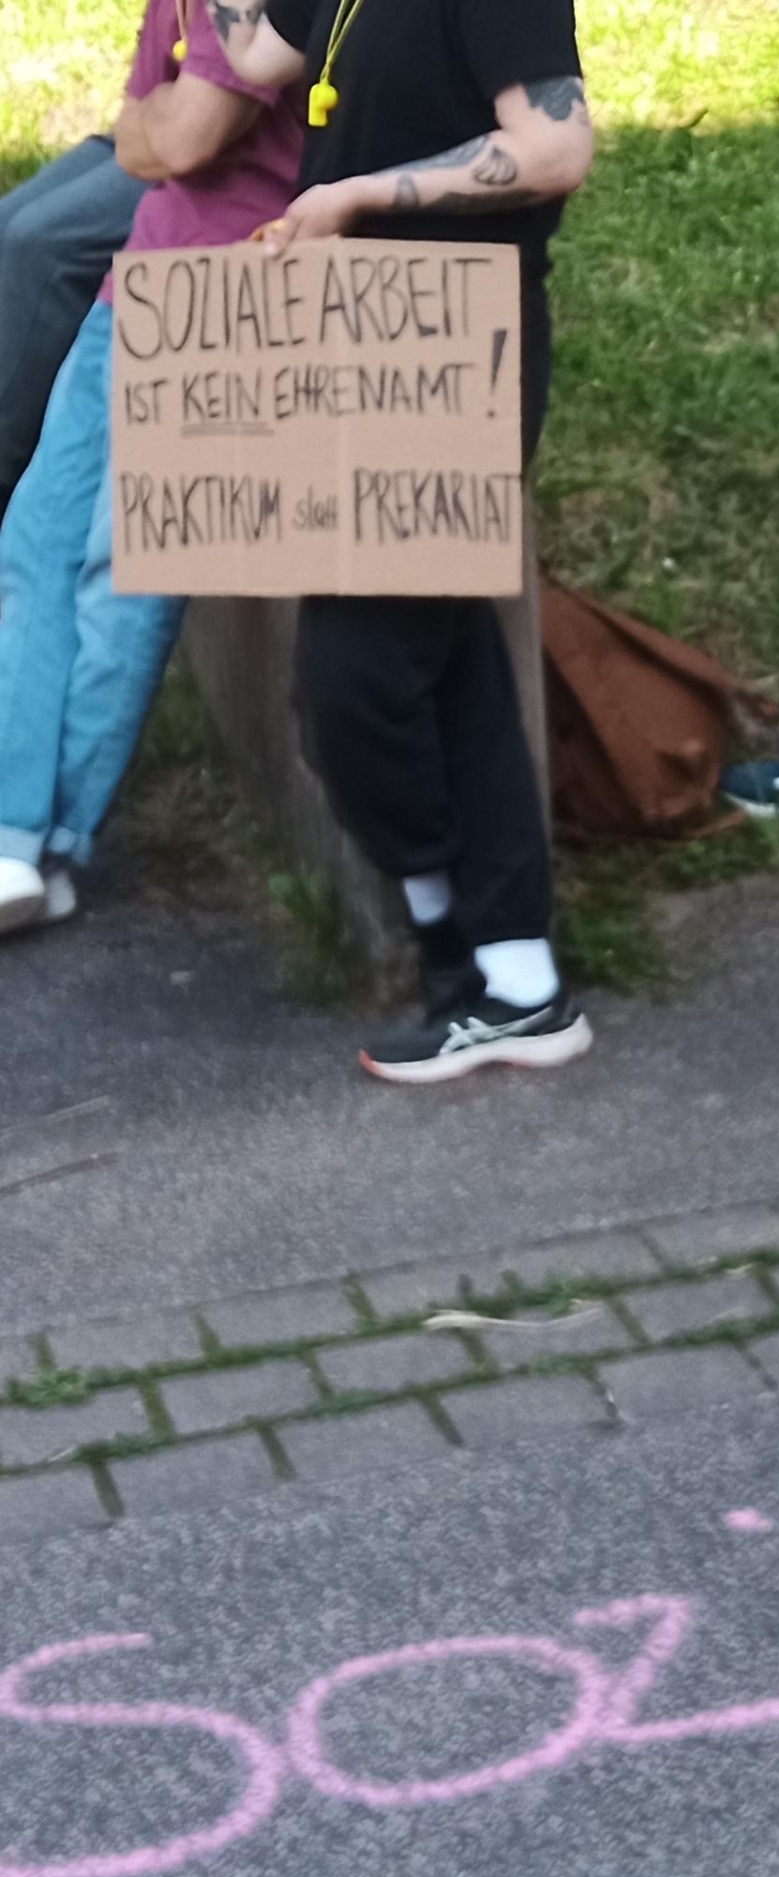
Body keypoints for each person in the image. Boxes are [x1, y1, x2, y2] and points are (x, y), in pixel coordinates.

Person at [208, 0, 595, 1083]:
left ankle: (451, 946)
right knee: (449, 663)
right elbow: (255, 53)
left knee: (354, 679)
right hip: (353, 338)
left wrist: (358, 195)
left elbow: (557, 145)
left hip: (454, 344)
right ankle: (513, 979)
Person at [0, 1, 302, 938]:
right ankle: (11, 830)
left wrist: (162, 125)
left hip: (223, 293)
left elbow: (186, 130)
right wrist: (159, 127)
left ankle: (51, 843)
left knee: (123, 566)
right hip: (137, 272)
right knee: (36, 539)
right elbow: (146, 138)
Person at [0, 133, 147, 527]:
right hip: (165, 118)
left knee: (37, 246)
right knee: (8, 225)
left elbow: (188, 141)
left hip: (226, 139)